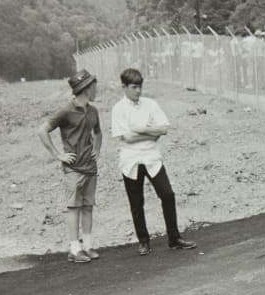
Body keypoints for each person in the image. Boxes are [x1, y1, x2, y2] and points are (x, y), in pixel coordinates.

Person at [110, 68, 196, 254]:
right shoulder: (118, 109)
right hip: (131, 160)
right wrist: (151, 131)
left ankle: (174, 238)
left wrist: (140, 129)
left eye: (140, 87)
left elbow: (163, 129)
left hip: (152, 157)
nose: (138, 91)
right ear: (124, 87)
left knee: (167, 195)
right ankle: (144, 242)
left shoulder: (150, 104)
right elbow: (127, 138)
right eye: (133, 87)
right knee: (136, 202)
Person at [37, 69, 103, 264]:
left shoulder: (93, 111)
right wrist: (59, 155)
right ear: (85, 89)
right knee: (74, 207)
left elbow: (98, 133)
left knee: (88, 206)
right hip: (73, 169)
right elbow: (42, 130)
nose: (96, 90)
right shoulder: (66, 111)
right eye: (93, 87)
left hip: (90, 167)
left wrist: (97, 150)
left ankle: (88, 246)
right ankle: (75, 249)